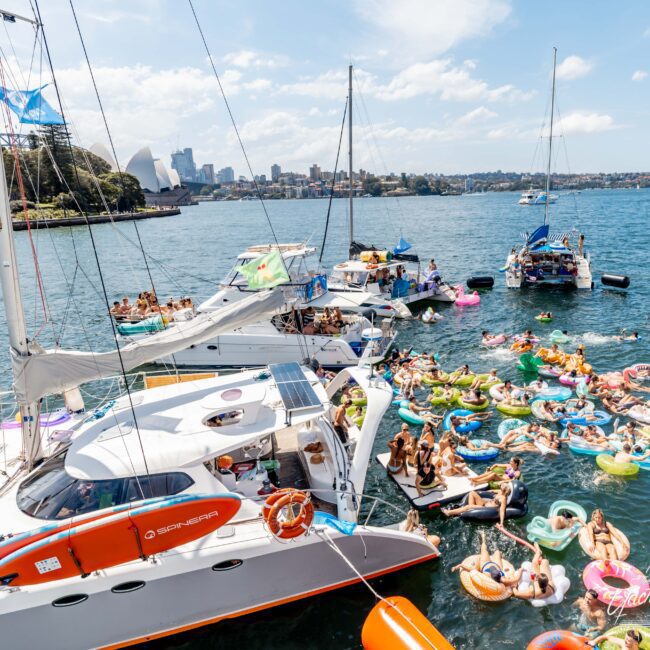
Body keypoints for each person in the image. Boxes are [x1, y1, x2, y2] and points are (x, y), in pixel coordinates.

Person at [451, 530, 522, 586]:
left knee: (484, 550)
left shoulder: (486, 575)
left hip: (485, 564)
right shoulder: (503, 579)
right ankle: (483, 537)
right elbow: (516, 579)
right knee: (497, 552)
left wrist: (458, 566)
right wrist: (521, 570)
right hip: (497, 566)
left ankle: (483, 538)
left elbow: (472, 569)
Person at [442, 483, 512, 526]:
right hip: (485, 504)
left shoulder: (503, 499)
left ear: (504, 489)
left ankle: (449, 513)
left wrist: (501, 523)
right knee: (472, 493)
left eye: (502, 486)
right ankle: (469, 510)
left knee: (468, 506)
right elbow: (493, 491)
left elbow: (502, 511)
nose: (501, 486)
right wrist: (489, 491)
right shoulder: (500, 492)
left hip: (486, 509)